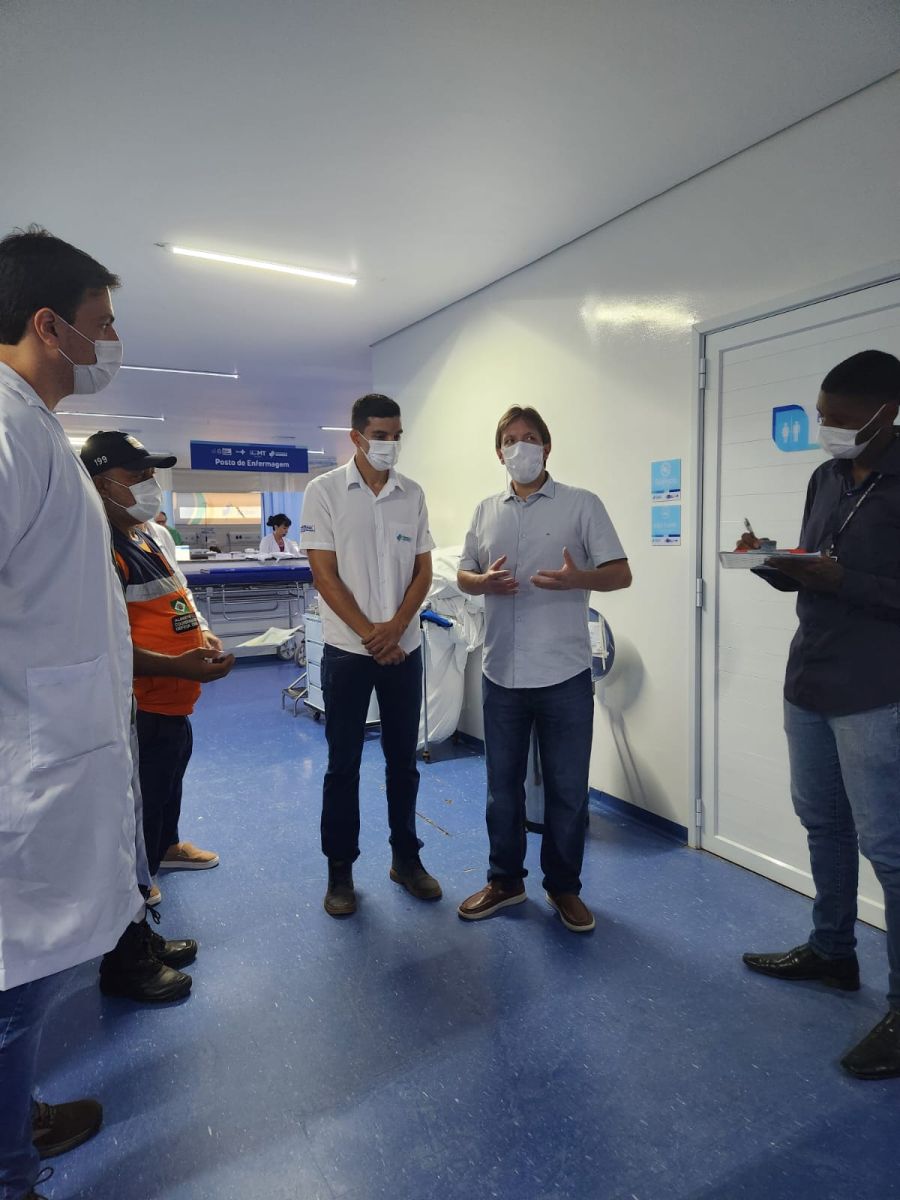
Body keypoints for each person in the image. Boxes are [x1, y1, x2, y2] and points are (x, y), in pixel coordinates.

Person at [0, 227, 143, 1200]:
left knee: (24, 986)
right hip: (26, 767)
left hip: (54, 752)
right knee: (10, 991)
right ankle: (9, 1167)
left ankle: (16, 1118)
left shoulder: (36, 428)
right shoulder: (6, 429)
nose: (111, 341)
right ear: (49, 325)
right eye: (102, 323)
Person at [741, 349, 900, 1080]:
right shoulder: (826, 476)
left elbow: (854, 580)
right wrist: (774, 560)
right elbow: (817, 564)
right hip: (809, 677)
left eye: (838, 418)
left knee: (890, 851)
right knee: (823, 823)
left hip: (876, 689)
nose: (826, 428)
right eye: (821, 415)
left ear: (885, 413)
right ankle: (833, 951)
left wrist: (845, 580)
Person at [456, 406, 631, 933]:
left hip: (564, 675)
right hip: (501, 674)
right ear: (499, 452)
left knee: (567, 790)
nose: (520, 447)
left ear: (547, 447)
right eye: (510, 439)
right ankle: (505, 881)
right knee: (501, 790)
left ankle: (564, 888)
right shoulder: (485, 511)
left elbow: (620, 573)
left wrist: (581, 579)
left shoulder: (582, 504)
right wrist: (482, 583)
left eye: (530, 437)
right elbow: (464, 575)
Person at [300, 393, 440, 916]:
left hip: (404, 648)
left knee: (403, 762)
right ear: (356, 437)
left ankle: (407, 859)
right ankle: (340, 871)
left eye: (396, 435)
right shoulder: (324, 492)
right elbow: (324, 574)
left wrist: (396, 628)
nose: (390, 445)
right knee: (344, 765)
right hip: (347, 650)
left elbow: (423, 570)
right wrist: (370, 635)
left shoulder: (412, 494)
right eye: (380, 436)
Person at [81, 432, 233, 900]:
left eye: (151, 473)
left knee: (170, 778)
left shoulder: (145, 536)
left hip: (174, 701)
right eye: (137, 475)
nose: (150, 483)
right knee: (142, 792)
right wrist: (177, 665)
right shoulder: (99, 547)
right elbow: (105, 642)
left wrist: (201, 631)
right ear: (102, 484)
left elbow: (177, 596)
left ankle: (166, 846)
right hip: (140, 705)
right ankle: (135, 884)